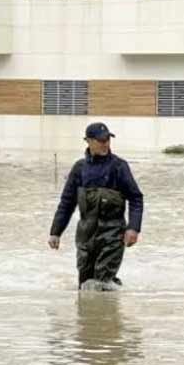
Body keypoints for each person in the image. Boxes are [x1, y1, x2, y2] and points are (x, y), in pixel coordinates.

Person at [48, 122, 144, 290]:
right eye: (101, 140)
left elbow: (136, 198)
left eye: (108, 139)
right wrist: (55, 232)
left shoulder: (119, 166)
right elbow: (66, 203)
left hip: (113, 236)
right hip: (86, 237)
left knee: (100, 284)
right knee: (85, 285)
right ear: (88, 141)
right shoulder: (79, 169)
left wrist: (133, 228)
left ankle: (108, 310)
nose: (106, 143)